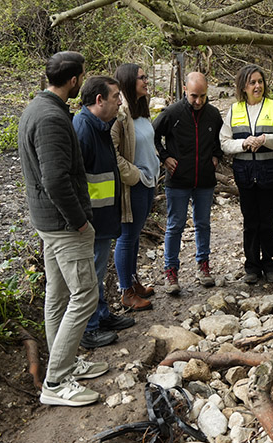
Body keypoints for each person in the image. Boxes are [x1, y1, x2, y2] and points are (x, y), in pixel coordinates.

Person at [18, 51, 107, 406]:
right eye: (81, 77)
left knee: (57, 296)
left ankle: (64, 363)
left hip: (47, 222)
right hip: (63, 224)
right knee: (86, 295)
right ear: (74, 80)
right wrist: (80, 221)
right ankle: (55, 382)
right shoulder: (52, 118)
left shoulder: (35, 108)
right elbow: (55, 179)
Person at [73, 76, 136, 350]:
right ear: (99, 100)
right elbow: (76, 180)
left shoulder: (100, 126)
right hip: (92, 221)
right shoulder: (84, 130)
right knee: (91, 276)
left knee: (98, 273)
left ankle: (101, 315)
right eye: (115, 97)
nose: (120, 102)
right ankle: (89, 329)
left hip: (103, 218)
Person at [220, 64, 273, 284]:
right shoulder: (234, 110)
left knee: (267, 221)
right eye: (252, 82)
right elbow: (224, 142)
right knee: (250, 221)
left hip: (269, 175)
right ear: (243, 86)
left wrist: (265, 139)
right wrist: (243, 143)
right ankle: (252, 267)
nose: (257, 86)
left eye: (260, 81)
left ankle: (272, 266)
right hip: (245, 175)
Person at [153, 72, 223, 295]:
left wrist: (216, 156)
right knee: (175, 225)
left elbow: (221, 139)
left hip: (204, 179)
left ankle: (203, 266)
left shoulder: (212, 114)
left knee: (203, 224)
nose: (198, 101)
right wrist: (164, 156)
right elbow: (151, 135)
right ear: (185, 89)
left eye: (203, 96)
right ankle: (171, 271)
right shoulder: (172, 113)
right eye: (194, 96)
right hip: (178, 180)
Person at [112, 63, 159, 310]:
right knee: (127, 236)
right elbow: (113, 152)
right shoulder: (120, 115)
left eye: (146, 76)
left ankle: (134, 282)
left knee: (135, 235)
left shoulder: (141, 109)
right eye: (141, 78)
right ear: (130, 81)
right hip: (135, 185)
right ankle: (126, 292)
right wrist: (135, 175)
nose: (146, 80)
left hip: (148, 182)